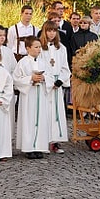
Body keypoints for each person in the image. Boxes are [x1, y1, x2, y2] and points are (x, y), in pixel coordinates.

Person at [13, 36, 50, 159]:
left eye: (40, 47)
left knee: (40, 120)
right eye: (36, 47)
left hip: (41, 94)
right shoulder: (23, 62)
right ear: (28, 48)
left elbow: (50, 76)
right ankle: (29, 147)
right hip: (29, 95)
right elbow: (16, 79)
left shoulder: (43, 61)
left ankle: (39, 146)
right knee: (29, 120)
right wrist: (30, 79)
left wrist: (44, 78)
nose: (39, 49)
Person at [39, 21, 71, 153]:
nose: (51, 33)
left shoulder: (61, 48)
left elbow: (65, 67)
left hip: (56, 85)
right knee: (44, 112)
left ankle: (55, 141)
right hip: (45, 85)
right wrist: (48, 80)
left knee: (56, 113)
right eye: (49, 30)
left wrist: (60, 80)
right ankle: (43, 142)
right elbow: (38, 66)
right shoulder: (40, 48)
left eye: (54, 31)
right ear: (44, 32)